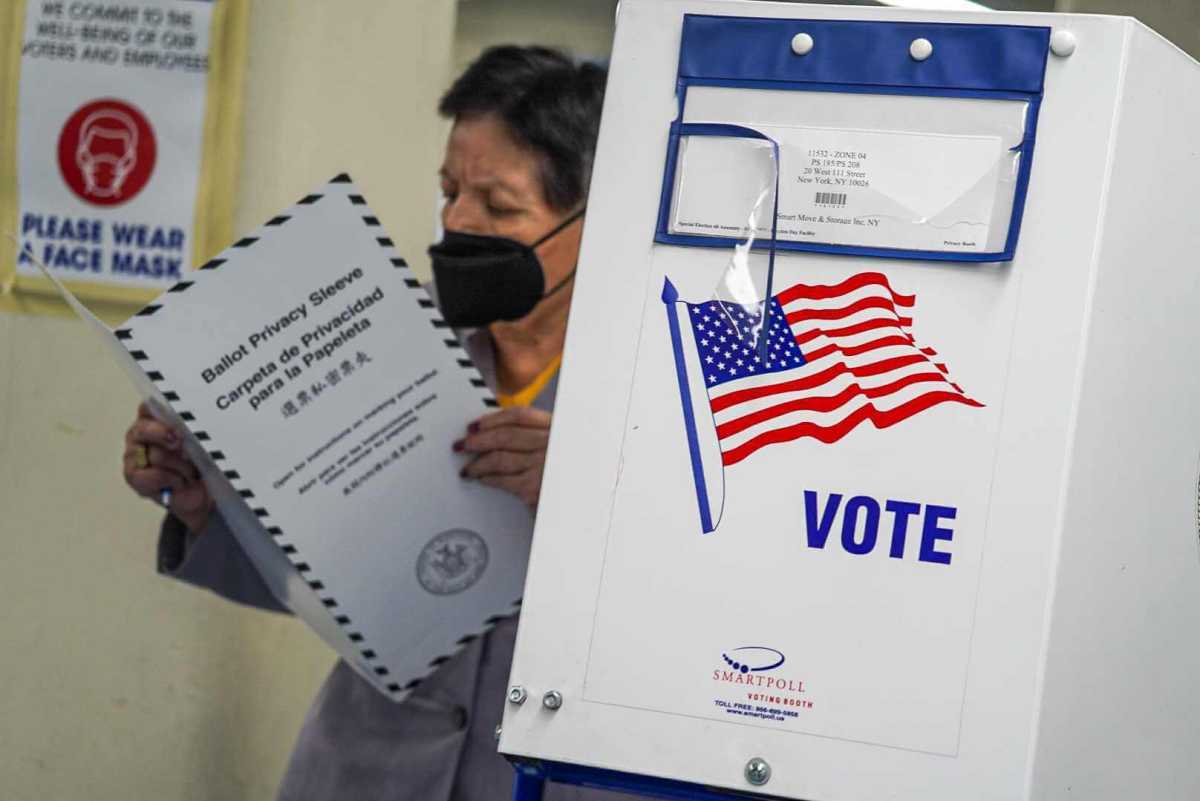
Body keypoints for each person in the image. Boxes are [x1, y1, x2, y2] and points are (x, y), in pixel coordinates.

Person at [121, 46, 633, 801]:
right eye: (449, 191)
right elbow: (329, 581)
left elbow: (748, 604)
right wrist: (204, 509)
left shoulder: (672, 379)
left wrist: (594, 489)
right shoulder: (385, 337)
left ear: (600, 218)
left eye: (497, 206)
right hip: (368, 769)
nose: (457, 221)